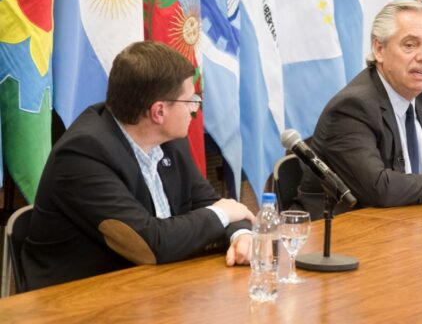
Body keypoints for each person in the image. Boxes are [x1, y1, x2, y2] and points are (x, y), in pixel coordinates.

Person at [22, 42, 255, 290]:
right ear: (158, 112)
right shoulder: (82, 155)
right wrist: (225, 214)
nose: (194, 109)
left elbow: (211, 204)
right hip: (79, 297)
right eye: (190, 100)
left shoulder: (170, 139)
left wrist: (241, 234)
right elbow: (150, 245)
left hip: (153, 289)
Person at [295, 1, 422, 218]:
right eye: (410, 45)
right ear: (379, 49)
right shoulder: (352, 108)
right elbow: (380, 189)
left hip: (415, 223)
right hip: (346, 229)